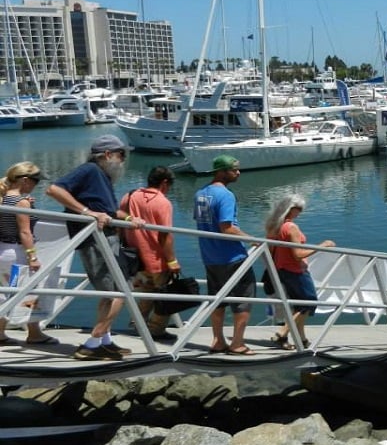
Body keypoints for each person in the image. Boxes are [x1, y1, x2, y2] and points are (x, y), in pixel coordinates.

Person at [46, 134, 143, 361]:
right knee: (119, 291)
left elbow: (108, 210)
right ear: (107, 154)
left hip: (105, 237)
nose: (123, 160)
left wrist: (129, 218)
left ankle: (104, 342)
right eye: (121, 155)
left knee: (112, 291)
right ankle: (91, 344)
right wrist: (88, 213)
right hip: (95, 239)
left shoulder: (102, 176)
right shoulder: (89, 170)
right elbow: (54, 189)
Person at [193, 155, 257, 356]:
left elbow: (202, 222)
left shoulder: (200, 193)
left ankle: (218, 340)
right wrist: (252, 239)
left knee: (217, 299)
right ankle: (237, 343)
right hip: (231, 257)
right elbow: (227, 228)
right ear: (221, 172)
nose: (238, 173)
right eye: (234, 169)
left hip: (210, 256)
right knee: (243, 298)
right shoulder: (226, 195)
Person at [264, 194, 334, 350]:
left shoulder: (274, 226)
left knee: (299, 307)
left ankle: (301, 340)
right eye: (299, 209)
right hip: (296, 271)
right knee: (308, 303)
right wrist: (323, 245)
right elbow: (298, 254)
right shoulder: (291, 227)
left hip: (281, 269)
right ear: (291, 209)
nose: (300, 212)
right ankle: (282, 333)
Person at [0, 162, 58, 345]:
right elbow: (25, 232)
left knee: (6, 293)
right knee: (29, 291)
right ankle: (34, 333)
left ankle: (0, 332)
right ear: (25, 180)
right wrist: (32, 256)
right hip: (17, 253)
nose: (36, 185)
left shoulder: (3, 199)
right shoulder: (21, 202)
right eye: (35, 181)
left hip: (2, 251)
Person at [120, 166, 179, 342]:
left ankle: (138, 322)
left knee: (148, 289)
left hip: (133, 257)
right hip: (156, 257)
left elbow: (119, 223)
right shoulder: (162, 202)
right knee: (166, 294)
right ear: (165, 183)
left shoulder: (130, 196)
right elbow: (165, 235)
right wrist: (172, 260)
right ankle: (156, 329)